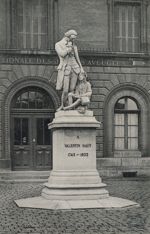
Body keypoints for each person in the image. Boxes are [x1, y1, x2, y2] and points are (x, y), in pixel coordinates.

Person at [55, 29, 84, 111]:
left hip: (75, 68)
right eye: (72, 38)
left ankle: (70, 107)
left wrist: (81, 68)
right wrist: (68, 49)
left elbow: (77, 58)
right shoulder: (58, 44)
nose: (73, 40)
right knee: (65, 90)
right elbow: (61, 54)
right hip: (65, 68)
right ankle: (62, 105)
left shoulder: (74, 46)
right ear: (67, 37)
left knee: (72, 90)